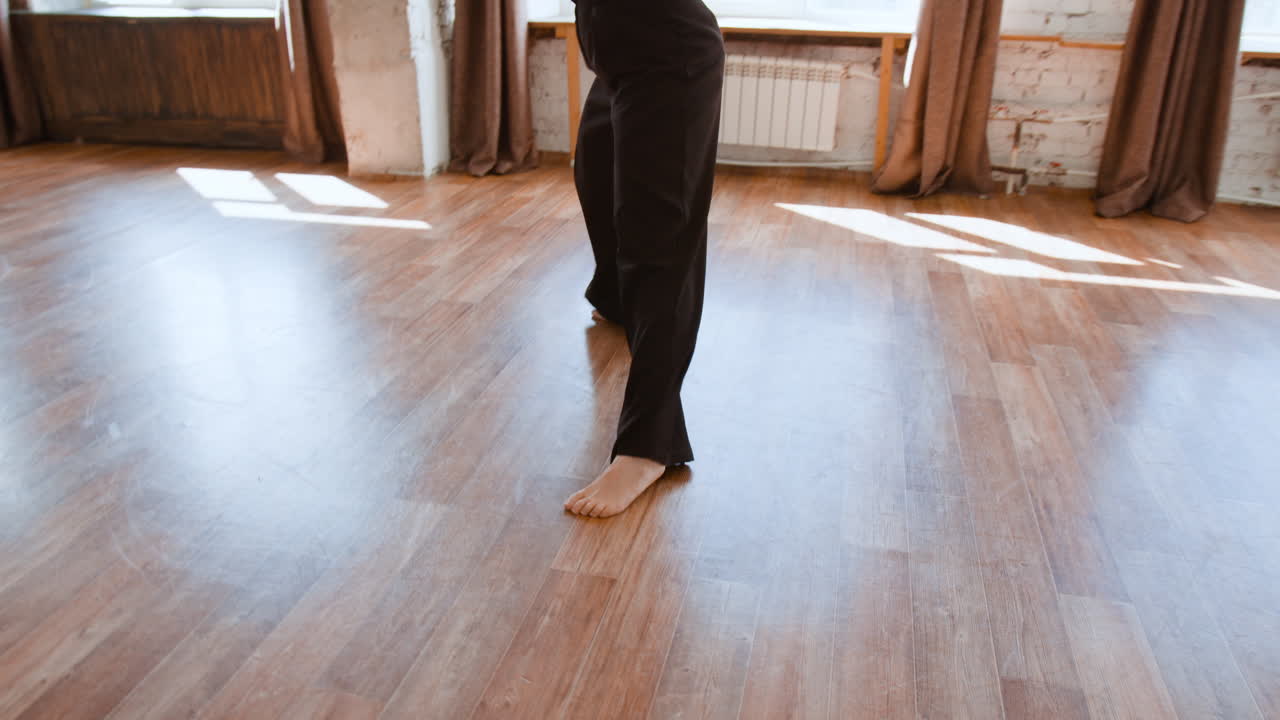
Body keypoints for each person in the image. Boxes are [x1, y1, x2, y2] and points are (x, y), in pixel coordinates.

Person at [563, 0, 725, 518]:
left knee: (658, 241)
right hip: (617, 58)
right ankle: (617, 299)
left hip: (668, 56)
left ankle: (648, 448)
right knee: (596, 174)